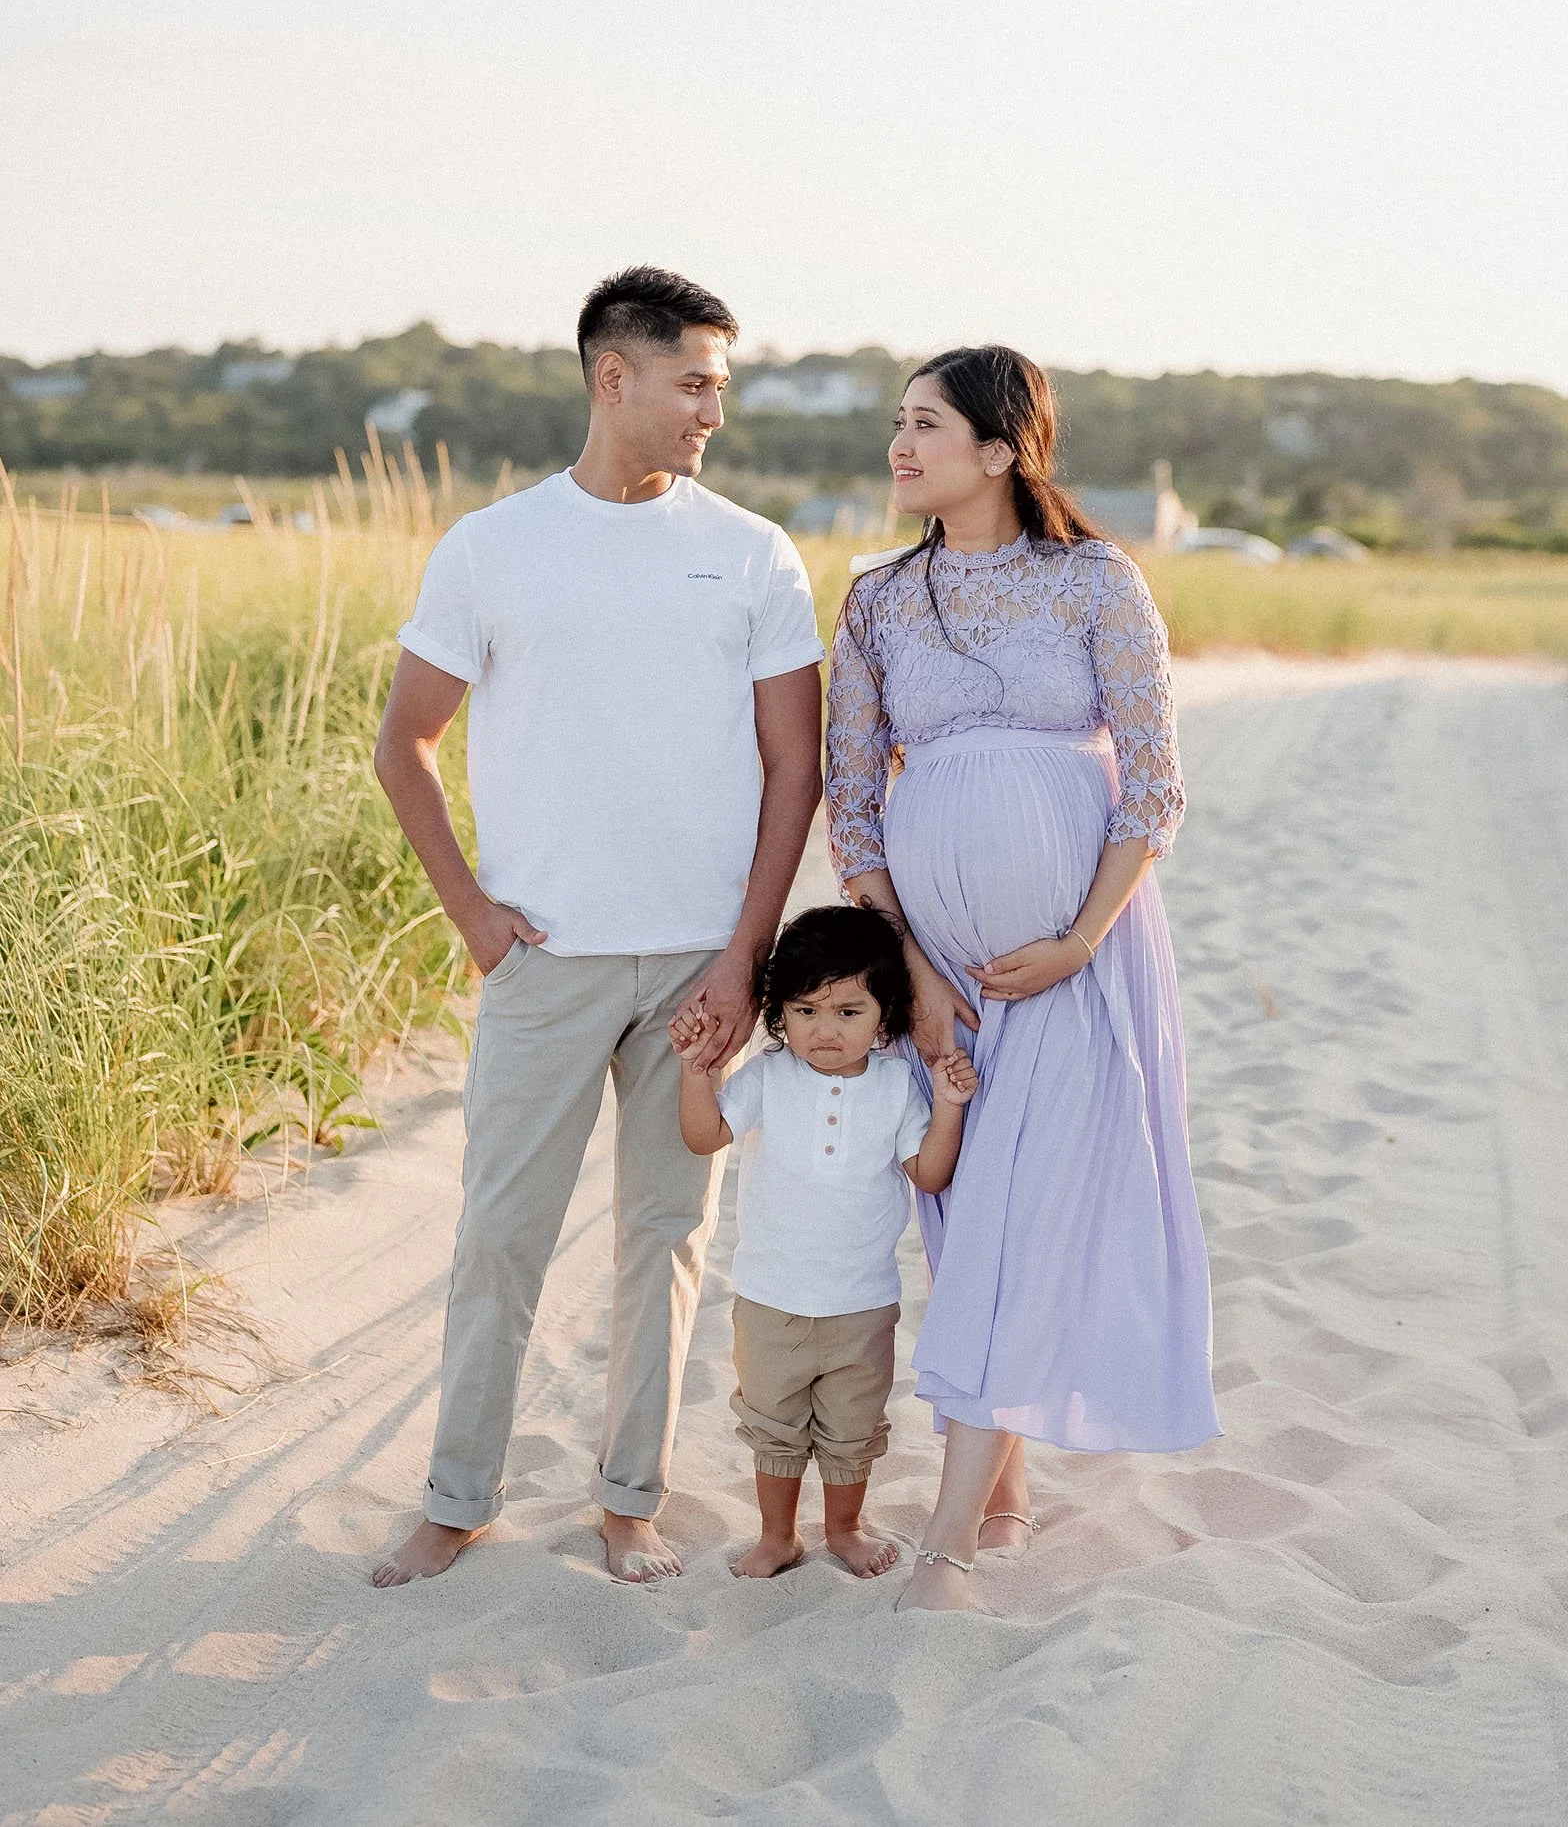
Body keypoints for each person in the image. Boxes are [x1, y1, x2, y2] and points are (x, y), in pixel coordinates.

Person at [370, 265, 824, 1588]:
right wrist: (474, 918)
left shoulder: (749, 552)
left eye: (719, 386)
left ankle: (629, 1502)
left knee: (664, 1242)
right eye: (692, 381)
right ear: (610, 376)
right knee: (498, 1240)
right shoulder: (491, 548)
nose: (710, 411)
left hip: (697, 964)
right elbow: (403, 742)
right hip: (545, 961)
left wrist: (744, 959)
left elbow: (791, 770)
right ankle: (455, 1499)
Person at [825, 345, 1220, 1612]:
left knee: (1014, 1213)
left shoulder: (1097, 580)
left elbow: (1153, 788)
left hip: (1073, 965)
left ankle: (942, 1542)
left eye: (925, 424)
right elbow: (852, 804)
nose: (900, 445)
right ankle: (1000, 1492)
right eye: (896, 424)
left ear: (1002, 449)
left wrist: (1081, 939)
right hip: (937, 968)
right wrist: (914, 973)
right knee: (962, 1210)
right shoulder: (879, 600)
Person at [672, 905, 976, 1580]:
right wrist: (697, 1071)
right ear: (780, 1013)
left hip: (860, 1304)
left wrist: (949, 1110)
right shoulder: (767, 1078)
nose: (825, 1030)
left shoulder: (897, 1087)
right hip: (768, 1299)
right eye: (805, 1011)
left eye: (847, 1011)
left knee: (851, 1432)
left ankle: (844, 1528)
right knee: (773, 1429)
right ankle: (776, 1535)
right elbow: (702, 1138)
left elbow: (928, 1175)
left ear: (884, 1013)